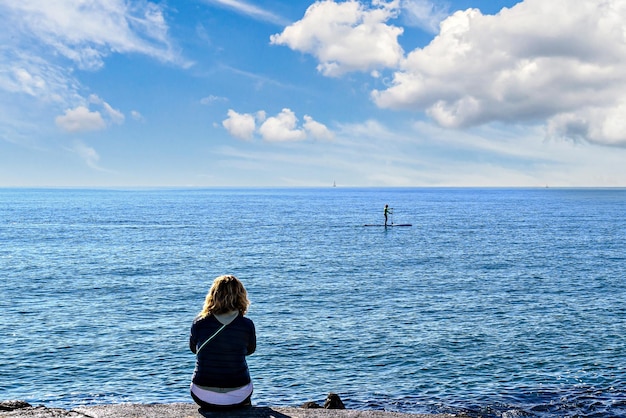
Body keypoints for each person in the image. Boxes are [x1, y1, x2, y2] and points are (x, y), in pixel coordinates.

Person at [189, 275, 256, 411]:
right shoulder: (247, 324)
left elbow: (194, 349)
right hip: (239, 395)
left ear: (213, 295)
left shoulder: (199, 323)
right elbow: (250, 350)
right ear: (241, 296)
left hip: (202, 394)